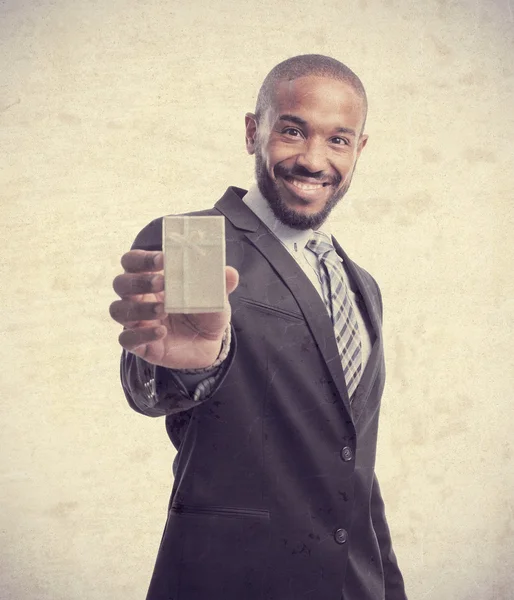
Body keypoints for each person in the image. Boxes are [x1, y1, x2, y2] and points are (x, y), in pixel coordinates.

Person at [110, 54, 408, 600]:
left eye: (339, 140)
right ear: (254, 131)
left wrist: (387, 585)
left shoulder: (362, 285)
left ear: (359, 149)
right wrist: (193, 364)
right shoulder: (196, 242)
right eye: (292, 131)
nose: (314, 159)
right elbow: (151, 383)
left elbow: (355, 468)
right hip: (229, 580)